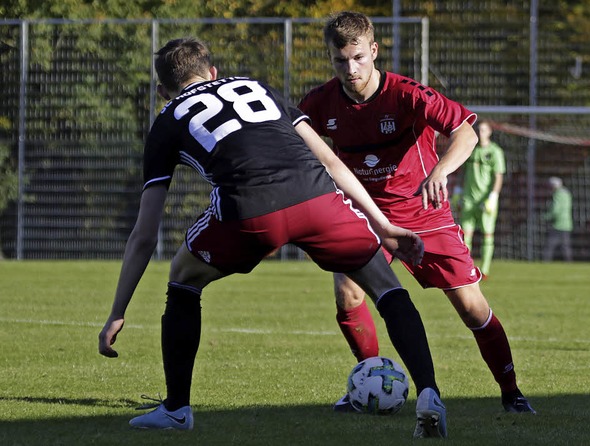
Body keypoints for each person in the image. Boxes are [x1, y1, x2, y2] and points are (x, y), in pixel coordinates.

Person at [98, 37, 448, 438]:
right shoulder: (256, 87)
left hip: (251, 212)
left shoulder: (167, 118)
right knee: (385, 284)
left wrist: (117, 311)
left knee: (182, 276)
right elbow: (330, 160)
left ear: (162, 91)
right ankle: (429, 392)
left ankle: (176, 409)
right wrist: (383, 227)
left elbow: (145, 233)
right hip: (319, 200)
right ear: (213, 72)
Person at [298, 11, 535, 416]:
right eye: (340, 61)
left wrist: (441, 170)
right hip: (365, 217)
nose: (350, 68)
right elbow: (296, 144)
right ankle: (368, 381)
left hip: (425, 214)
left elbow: (465, 132)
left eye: (358, 57)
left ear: (373, 50)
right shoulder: (320, 103)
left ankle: (511, 392)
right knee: (347, 292)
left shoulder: (407, 94)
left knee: (471, 308)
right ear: (331, 59)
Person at [453, 119, 506, 279]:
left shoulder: (495, 151)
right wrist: (457, 191)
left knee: (487, 234)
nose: (480, 133)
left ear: (489, 132)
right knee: (465, 234)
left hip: (486, 200)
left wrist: (493, 196)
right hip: (469, 198)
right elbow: (462, 171)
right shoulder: (470, 150)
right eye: (478, 130)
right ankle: (467, 268)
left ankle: (485, 270)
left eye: (483, 130)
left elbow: (498, 176)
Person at [543, 176, 573, 261]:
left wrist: (545, 217)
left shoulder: (558, 194)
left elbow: (555, 210)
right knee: (566, 247)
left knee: (549, 246)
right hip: (567, 224)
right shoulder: (567, 194)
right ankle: (569, 264)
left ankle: (546, 263)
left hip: (558, 224)